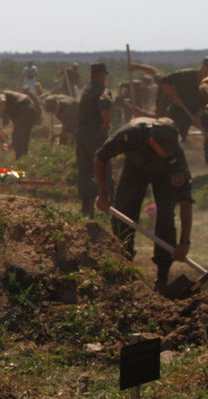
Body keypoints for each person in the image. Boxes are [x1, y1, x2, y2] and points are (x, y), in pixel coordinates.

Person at [95, 117, 192, 294]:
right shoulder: (131, 133)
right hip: (135, 167)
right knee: (122, 214)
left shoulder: (175, 155)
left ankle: (162, 277)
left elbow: (185, 199)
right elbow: (101, 156)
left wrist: (184, 242)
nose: (170, 152)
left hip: (164, 176)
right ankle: (124, 267)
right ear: (153, 142)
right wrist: (103, 193)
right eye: (166, 150)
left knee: (166, 217)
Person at [76, 62, 113, 217]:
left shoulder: (86, 90)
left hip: (82, 133)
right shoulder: (101, 90)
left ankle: (86, 207)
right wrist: (106, 125)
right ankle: (108, 205)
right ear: (101, 75)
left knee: (85, 171)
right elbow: (104, 107)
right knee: (103, 169)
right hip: (96, 134)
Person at [0, 89, 39, 159]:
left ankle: (19, 159)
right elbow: (17, 127)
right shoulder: (10, 106)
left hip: (23, 107)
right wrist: (13, 142)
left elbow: (2, 101)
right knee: (23, 136)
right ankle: (24, 158)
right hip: (30, 109)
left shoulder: (0, 95)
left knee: (18, 136)